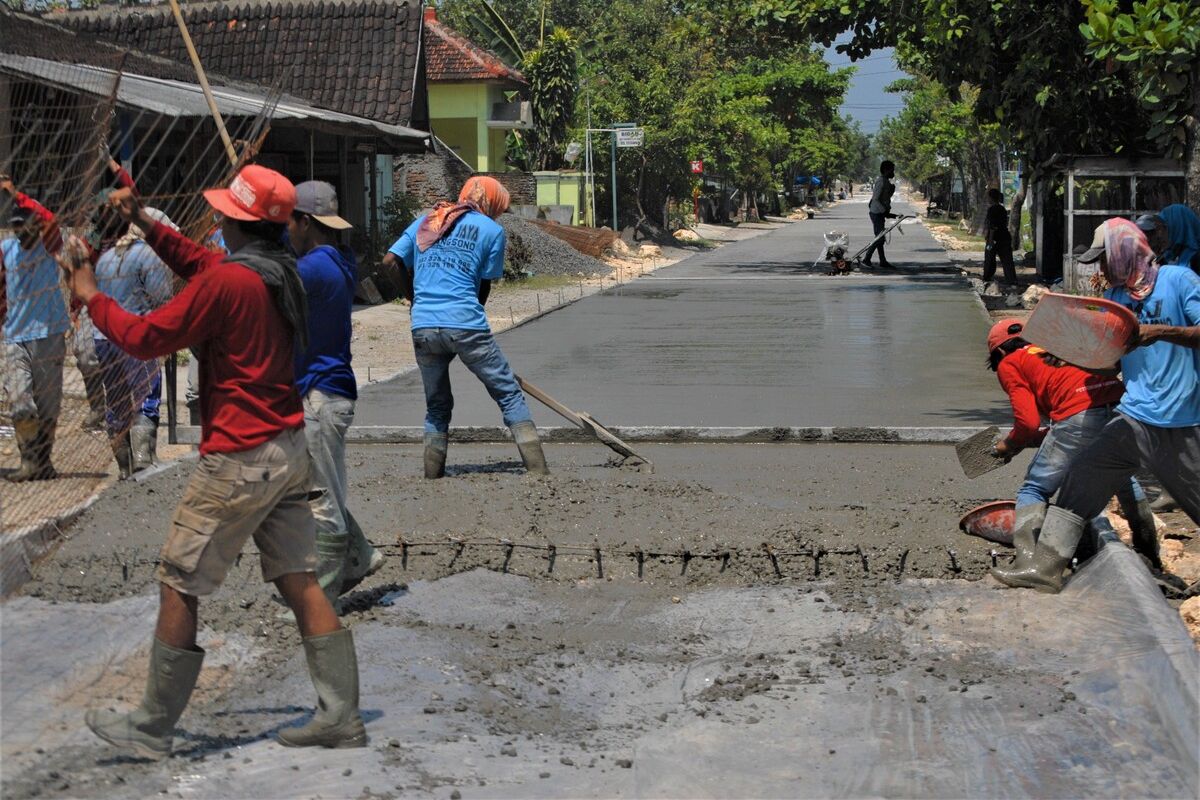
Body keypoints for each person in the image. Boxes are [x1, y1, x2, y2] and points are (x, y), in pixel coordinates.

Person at [61, 165, 366, 758]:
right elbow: (197, 262)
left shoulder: (229, 281)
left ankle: (152, 724)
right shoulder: (279, 271)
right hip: (287, 445)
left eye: (224, 213)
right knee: (298, 580)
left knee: (179, 579)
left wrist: (92, 296)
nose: (217, 220)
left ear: (234, 221)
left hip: (239, 456)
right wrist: (144, 221)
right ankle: (340, 715)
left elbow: (148, 338)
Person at [991, 218, 1200, 593]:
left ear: (1126, 252)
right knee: (1080, 481)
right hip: (1133, 416)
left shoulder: (1178, 281)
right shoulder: (1118, 302)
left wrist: (1160, 332)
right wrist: (1072, 356)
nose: (1102, 269)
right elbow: (1112, 359)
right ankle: (1045, 569)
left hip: (1180, 420)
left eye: (1105, 259)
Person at [385, 176, 549, 478]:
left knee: (437, 406)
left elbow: (390, 261)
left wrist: (414, 298)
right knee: (508, 393)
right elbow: (483, 285)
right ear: (494, 203)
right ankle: (539, 472)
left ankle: (432, 477)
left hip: (423, 326)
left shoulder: (428, 221)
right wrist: (468, 328)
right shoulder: (492, 230)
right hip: (465, 324)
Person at [985, 318, 1159, 571]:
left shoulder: (1010, 362)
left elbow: (1028, 422)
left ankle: (1027, 561)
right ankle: (1149, 553)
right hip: (1123, 408)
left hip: (1080, 415)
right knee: (1122, 479)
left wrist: (1008, 445)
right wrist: (1034, 435)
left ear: (999, 351)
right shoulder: (1057, 349)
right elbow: (1057, 422)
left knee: (1034, 489)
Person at [287, 180, 383, 605]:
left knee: (319, 500)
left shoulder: (311, 269)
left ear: (305, 222)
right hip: (330, 392)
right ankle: (360, 556)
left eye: (289, 222)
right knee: (322, 486)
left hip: (320, 397)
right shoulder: (335, 261)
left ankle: (320, 600)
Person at [90, 196, 176, 477]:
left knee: (115, 403)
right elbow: (162, 297)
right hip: (138, 338)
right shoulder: (146, 255)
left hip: (103, 340)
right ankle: (143, 461)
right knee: (145, 399)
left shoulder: (103, 259)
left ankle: (124, 469)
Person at [1, 175, 69, 482]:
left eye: (25, 225)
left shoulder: (48, 245)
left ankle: (44, 462)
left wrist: (16, 194)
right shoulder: (5, 250)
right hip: (15, 337)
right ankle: (28, 462)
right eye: (16, 226)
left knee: (48, 405)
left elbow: (49, 218)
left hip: (49, 335)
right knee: (20, 402)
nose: (20, 231)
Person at [862, 160, 896, 269]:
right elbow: (876, 199)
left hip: (880, 213)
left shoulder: (886, 182)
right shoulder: (880, 181)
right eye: (892, 170)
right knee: (879, 239)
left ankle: (882, 261)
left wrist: (892, 190)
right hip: (876, 213)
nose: (893, 172)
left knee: (880, 238)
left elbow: (885, 198)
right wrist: (884, 211)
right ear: (886, 170)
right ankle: (866, 259)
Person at [982, 188, 1017, 285]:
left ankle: (987, 277)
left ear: (991, 198)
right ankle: (1012, 280)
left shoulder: (992, 209)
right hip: (1004, 237)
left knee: (989, 258)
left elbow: (992, 226)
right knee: (1007, 260)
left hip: (994, 239)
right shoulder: (1002, 209)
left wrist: (990, 240)